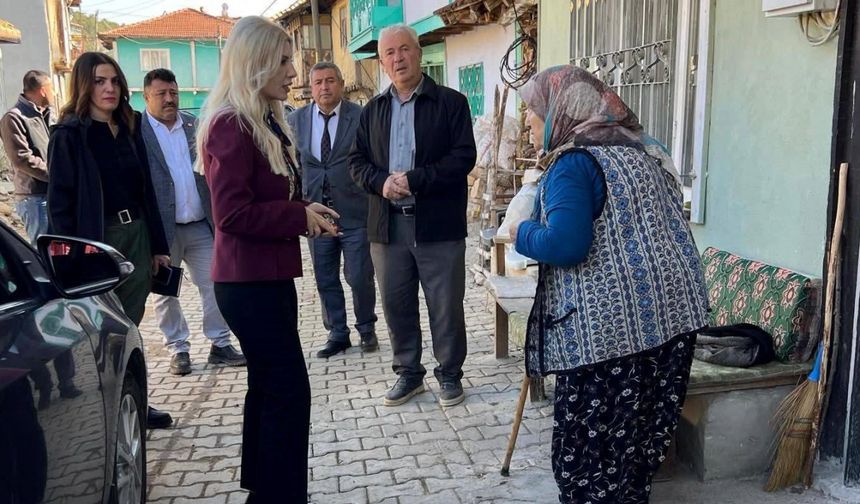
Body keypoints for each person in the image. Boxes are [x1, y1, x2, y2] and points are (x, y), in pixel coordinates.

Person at [512, 65, 710, 503]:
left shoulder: (574, 163)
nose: (527, 120)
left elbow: (566, 245)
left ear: (561, 110)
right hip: (674, 318)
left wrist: (520, 232)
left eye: (533, 109)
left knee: (587, 462)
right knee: (636, 450)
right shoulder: (641, 151)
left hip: (610, 335)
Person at [198, 16, 338, 503]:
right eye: (282, 61)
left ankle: (266, 491)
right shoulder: (230, 125)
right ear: (255, 63)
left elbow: (269, 197)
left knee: (269, 388)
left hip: (264, 279)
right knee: (288, 394)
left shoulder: (259, 119)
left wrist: (305, 210)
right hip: (247, 284)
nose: (293, 72)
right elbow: (232, 214)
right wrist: (299, 217)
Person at [349, 24, 477, 408]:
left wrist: (416, 179)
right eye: (389, 53)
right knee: (396, 302)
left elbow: (463, 157)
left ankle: (450, 374)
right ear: (382, 62)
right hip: (388, 227)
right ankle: (409, 373)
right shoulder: (372, 110)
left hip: (438, 224)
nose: (398, 58)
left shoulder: (451, 103)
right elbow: (356, 162)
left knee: (445, 303)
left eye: (405, 49)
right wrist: (381, 183)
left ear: (419, 54)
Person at [46, 51, 174, 430]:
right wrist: (73, 257)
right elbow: (60, 203)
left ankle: (135, 403)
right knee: (107, 331)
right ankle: (110, 413)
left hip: (136, 234)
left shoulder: (130, 126)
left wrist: (159, 244)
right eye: (101, 81)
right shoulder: (69, 134)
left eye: (115, 81)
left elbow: (147, 189)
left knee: (130, 326)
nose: (109, 88)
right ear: (85, 85)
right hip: (98, 241)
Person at [140, 68, 246, 375]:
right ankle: (179, 349)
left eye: (173, 92)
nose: (169, 99)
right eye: (161, 94)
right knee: (165, 293)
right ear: (147, 96)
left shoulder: (193, 125)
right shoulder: (138, 132)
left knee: (216, 284)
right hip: (163, 230)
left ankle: (220, 343)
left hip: (200, 224)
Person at [287, 62, 378, 359]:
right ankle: (337, 333)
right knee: (325, 276)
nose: (324, 87)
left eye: (330, 81)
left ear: (341, 83)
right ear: (310, 88)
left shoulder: (360, 116)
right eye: (318, 83)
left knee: (360, 274)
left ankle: (366, 328)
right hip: (316, 213)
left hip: (355, 210)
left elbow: (372, 157)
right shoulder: (296, 120)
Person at [0, 70, 55, 242]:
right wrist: (55, 174)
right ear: (43, 91)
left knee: (58, 250)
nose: (54, 94)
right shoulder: (14, 118)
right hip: (34, 198)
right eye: (51, 89)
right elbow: (22, 158)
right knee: (43, 250)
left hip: (50, 193)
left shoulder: (46, 115)